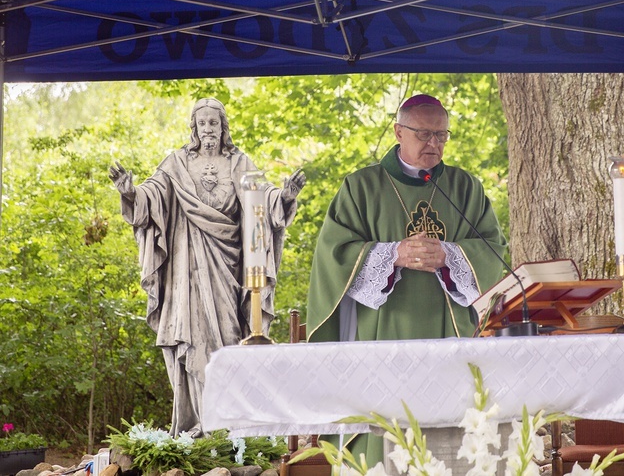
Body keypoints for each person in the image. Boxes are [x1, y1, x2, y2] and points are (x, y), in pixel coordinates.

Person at [306, 94, 506, 465]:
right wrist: (393, 255)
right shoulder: (361, 186)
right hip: (383, 333)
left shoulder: (465, 187)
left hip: (451, 333)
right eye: (425, 134)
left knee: (452, 444)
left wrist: (450, 255)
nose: (435, 144)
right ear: (399, 132)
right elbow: (333, 255)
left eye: (442, 135)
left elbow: (493, 249)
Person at [109, 97, 305, 437]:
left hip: (228, 271)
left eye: (215, 122)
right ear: (195, 128)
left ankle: (228, 427)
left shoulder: (240, 163)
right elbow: (151, 196)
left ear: (223, 127)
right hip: (186, 271)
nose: (209, 128)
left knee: (230, 338)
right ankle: (196, 425)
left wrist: (285, 197)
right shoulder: (176, 164)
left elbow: (262, 200)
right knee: (190, 339)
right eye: (203, 123)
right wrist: (131, 193)